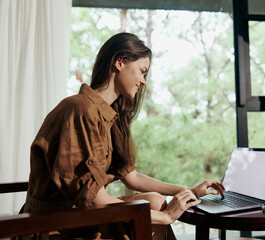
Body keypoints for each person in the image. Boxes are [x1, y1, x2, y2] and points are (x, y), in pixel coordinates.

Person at [25, 32, 225, 240]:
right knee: (156, 212)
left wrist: (187, 190)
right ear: (119, 62)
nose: (143, 81)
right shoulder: (80, 109)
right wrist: (164, 216)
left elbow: (132, 177)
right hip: (55, 223)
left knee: (155, 201)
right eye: (142, 71)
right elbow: (92, 199)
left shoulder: (108, 115)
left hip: (81, 214)